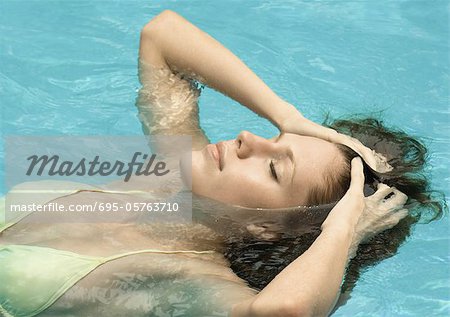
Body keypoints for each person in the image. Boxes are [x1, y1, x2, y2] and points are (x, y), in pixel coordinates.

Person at [0, 10, 443, 317]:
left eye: (274, 168)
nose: (248, 139)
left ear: (266, 227)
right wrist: (286, 115)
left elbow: (285, 310)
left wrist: (346, 227)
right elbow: (162, 34)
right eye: (272, 139)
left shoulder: (188, 276)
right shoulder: (175, 169)